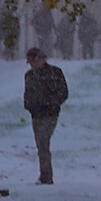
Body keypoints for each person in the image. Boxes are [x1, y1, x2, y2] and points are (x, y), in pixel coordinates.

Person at [23, 47, 69, 184]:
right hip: (36, 115)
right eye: (30, 62)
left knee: (43, 142)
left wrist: (52, 104)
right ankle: (45, 174)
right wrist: (30, 106)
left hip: (50, 114)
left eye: (33, 61)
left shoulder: (55, 73)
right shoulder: (29, 76)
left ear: (40, 59)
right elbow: (27, 94)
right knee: (41, 144)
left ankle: (46, 175)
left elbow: (63, 92)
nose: (32, 65)